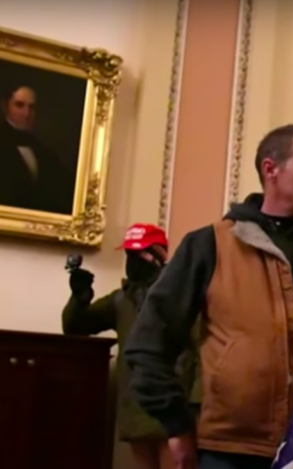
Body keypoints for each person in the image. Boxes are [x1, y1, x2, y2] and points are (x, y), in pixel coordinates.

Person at [125, 124, 293, 469]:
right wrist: (176, 425)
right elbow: (148, 344)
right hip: (230, 452)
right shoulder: (210, 245)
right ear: (271, 169)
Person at [62, 223, 199, 469]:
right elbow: (76, 326)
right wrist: (79, 297)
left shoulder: (180, 295)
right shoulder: (121, 299)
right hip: (135, 408)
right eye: (129, 254)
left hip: (173, 406)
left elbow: (202, 350)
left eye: (139, 254)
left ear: (159, 254)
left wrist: (197, 406)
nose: (133, 261)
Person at [0, 84, 74, 214]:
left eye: (31, 107)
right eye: (19, 105)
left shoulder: (44, 151)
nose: (27, 113)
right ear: (5, 107)